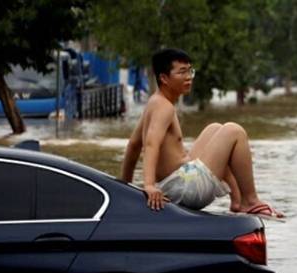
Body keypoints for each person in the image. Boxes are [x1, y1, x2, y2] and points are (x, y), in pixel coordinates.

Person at [120, 48, 284, 219]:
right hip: (183, 188)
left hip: (177, 182)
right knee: (234, 131)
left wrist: (123, 189)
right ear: (164, 78)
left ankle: (237, 201)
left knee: (214, 130)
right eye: (182, 72)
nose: (189, 77)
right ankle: (250, 201)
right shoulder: (164, 107)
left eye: (190, 70)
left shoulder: (154, 102)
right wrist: (148, 185)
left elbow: (133, 146)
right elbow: (150, 144)